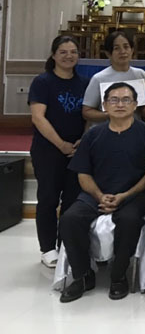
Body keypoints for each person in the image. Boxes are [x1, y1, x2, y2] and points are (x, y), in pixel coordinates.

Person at [59, 83, 145, 302]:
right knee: (70, 219)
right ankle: (82, 275)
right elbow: (83, 174)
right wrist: (99, 196)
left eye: (126, 100)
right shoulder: (93, 134)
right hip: (95, 193)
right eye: (114, 100)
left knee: (129, 220)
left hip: (135, 194)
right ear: (104, 105)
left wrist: (125, 195)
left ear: (135, 104)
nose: (120, 104)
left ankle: (118, 275)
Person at [28, 35, 88, 267]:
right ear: (53, 55)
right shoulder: (43, 82)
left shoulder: (84, 82)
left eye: (73, 52)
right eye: (63, 52)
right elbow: (38, 117)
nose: (68, 56)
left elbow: (89, 114)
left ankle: (66, 245)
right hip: (48, 150)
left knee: (72, 200)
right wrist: (61, 144)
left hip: (76, 151)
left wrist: (83, 140)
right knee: (48, 198)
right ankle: (47, 248)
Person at [82, 31, 145, 129]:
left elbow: (144, 107)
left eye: (126, 47)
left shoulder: (140, 75)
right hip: (106, 130)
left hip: (134, 130)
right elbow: (87, 112)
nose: (123, 52)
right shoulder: (99, 78)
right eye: (117, 48)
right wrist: (111, 114)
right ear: (108, 54)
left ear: (132, 50)